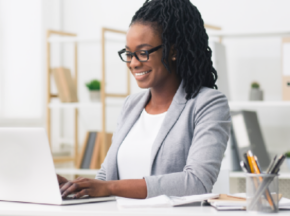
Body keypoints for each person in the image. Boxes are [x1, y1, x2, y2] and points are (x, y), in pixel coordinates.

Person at [57, 0, 231, 199]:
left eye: (143, 53)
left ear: (173, 51)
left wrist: (111, 188)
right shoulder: (131, 105)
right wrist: (73, 187)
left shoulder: (207, 104)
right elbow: (106, 177)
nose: (133, 63)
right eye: (129, 54)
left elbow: (197, 182)